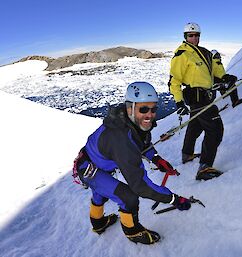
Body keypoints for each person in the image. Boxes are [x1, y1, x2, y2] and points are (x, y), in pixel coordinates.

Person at [73, 81, 191, 245]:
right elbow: (141, 186)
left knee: (101, 191)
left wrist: (156, 159)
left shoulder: (133, 123)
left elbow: (142, 143)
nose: (149, 115)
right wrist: (174, 199)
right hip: (89, 169)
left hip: (95, 164)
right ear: (130, 108)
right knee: (128, 197)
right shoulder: (121, 139)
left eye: (153, 109)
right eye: (143, 109)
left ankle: (99, 224)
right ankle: (133, 231)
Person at [168, 22, 242, 181]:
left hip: (206, 97)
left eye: (196, 35)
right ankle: (204, 167)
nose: (193, 38)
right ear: (185, 37)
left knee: (195, 126)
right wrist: (179, 103)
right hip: (196, 98)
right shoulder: (182, 55)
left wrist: (225, 78)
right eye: (190, 35)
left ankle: (187, 154)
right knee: (215, 130)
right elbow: (174, 81)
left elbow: (215, 72)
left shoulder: (206, 53)